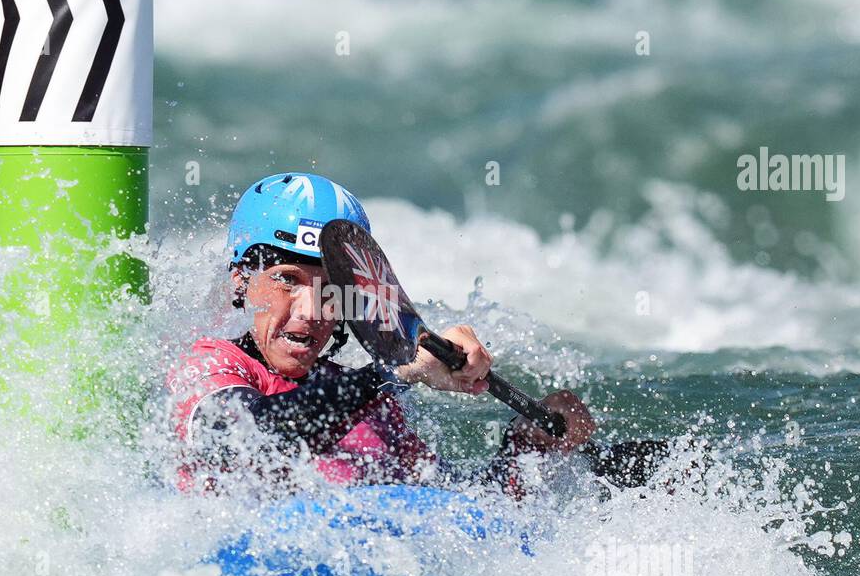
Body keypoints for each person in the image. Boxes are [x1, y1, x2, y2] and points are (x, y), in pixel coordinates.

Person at [167, 172, 596, 496]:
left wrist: (527, 447)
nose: (312, 309)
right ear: (241, 282)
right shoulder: (209, 368)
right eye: (287, 279)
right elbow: (251, 437)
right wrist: (398, 371)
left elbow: (464, 506)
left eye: (331, 289)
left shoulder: (366, 400)